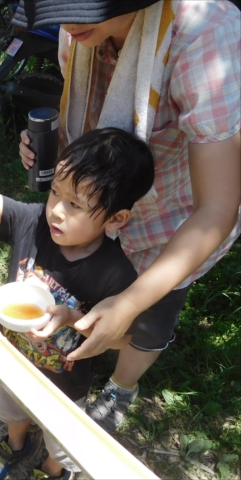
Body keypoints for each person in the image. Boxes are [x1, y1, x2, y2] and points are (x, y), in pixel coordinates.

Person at [19, 0, 240, 433]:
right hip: (98, 215)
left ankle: (122, 386)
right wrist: (44, 148)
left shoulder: (204, 35)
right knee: (88, 299)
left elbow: (216, 209)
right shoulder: (78, 30)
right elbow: (84, 136)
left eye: (77, 12)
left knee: (149, 319)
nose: (65, 26)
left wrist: (131, 301)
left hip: (172, 226)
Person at [0, 127, 156, 480]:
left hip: (64, 383)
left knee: (62, 440)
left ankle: (52, 468)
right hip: (12, 358)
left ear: (115, 218)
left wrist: (74, 317)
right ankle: (17, 444)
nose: (57, 212)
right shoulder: (33, 223)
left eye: (75, 204)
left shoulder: (116, 274)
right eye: (55, 194)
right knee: (10, 409)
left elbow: (123, 339)